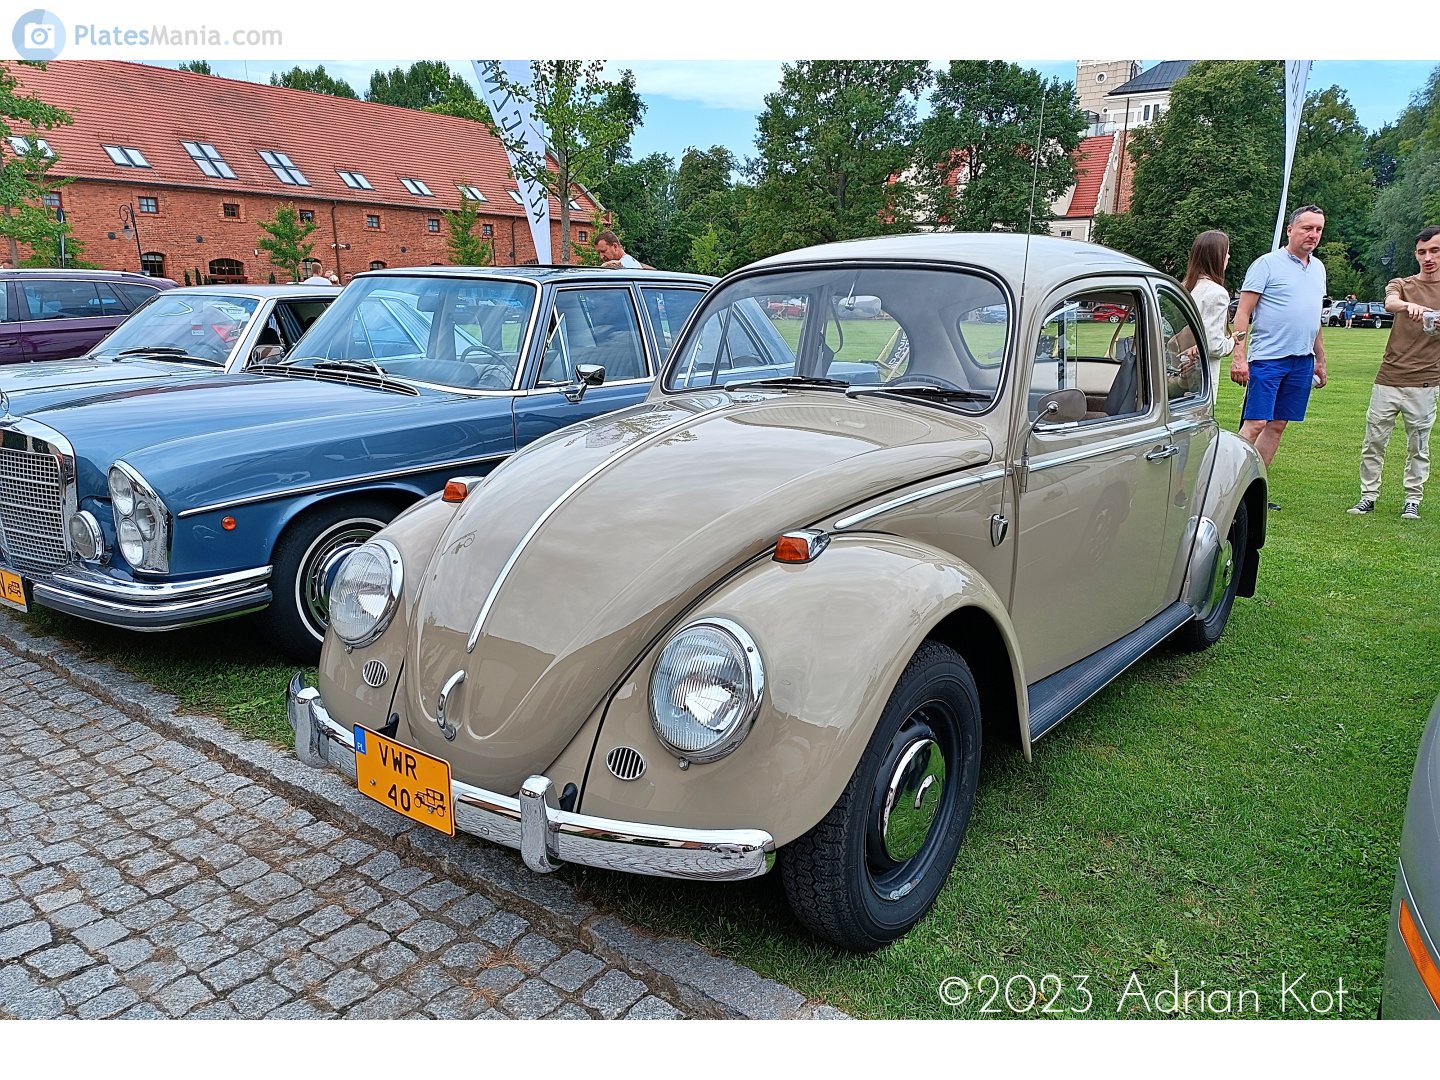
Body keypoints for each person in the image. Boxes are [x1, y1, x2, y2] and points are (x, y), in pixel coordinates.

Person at [1230, 205, 1328, 510]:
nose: (1313, 235)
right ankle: (1228, 487)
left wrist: (1321, 359)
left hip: (1302, 360)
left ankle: (1253, 490)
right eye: (1307, 228)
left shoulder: (1318, 268)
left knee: (1278, 425)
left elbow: (1314, 319)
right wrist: (1239, 356)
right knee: (1256, 422)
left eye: (1318, 230)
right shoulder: (1266, 265)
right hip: (1268, 359)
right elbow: (1243, 312)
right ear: (1290, 229)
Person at [1348, 226, 1440, 520]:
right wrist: (1412, 306)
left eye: (1435, 251)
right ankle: (1368, 496)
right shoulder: (1402, 283)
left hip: (1425, 382)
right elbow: (1390, 302)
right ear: (1415, 254)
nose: (1428, 258)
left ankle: (1412, 499)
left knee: (1418, 445)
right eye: (1422, 252)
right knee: (1374, 441)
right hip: (1389, 377)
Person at [1183, 229, 1243, 386]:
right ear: (1216, 256)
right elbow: (1213, 346)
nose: (1228, 257)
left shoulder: (1184, 287)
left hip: (1176, 372)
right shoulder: (1217, 294)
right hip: (1198, 379)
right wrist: (1232, 340)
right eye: (1226, 252)